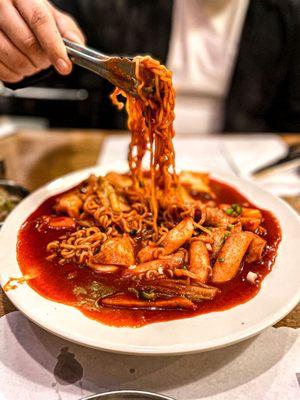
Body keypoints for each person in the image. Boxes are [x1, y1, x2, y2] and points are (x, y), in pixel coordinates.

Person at [0, 0, 300, 133]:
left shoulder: (288, 17)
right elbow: (52, 43)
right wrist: (22, 48)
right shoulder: (116, 6)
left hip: (246, 170)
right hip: (115, 162)